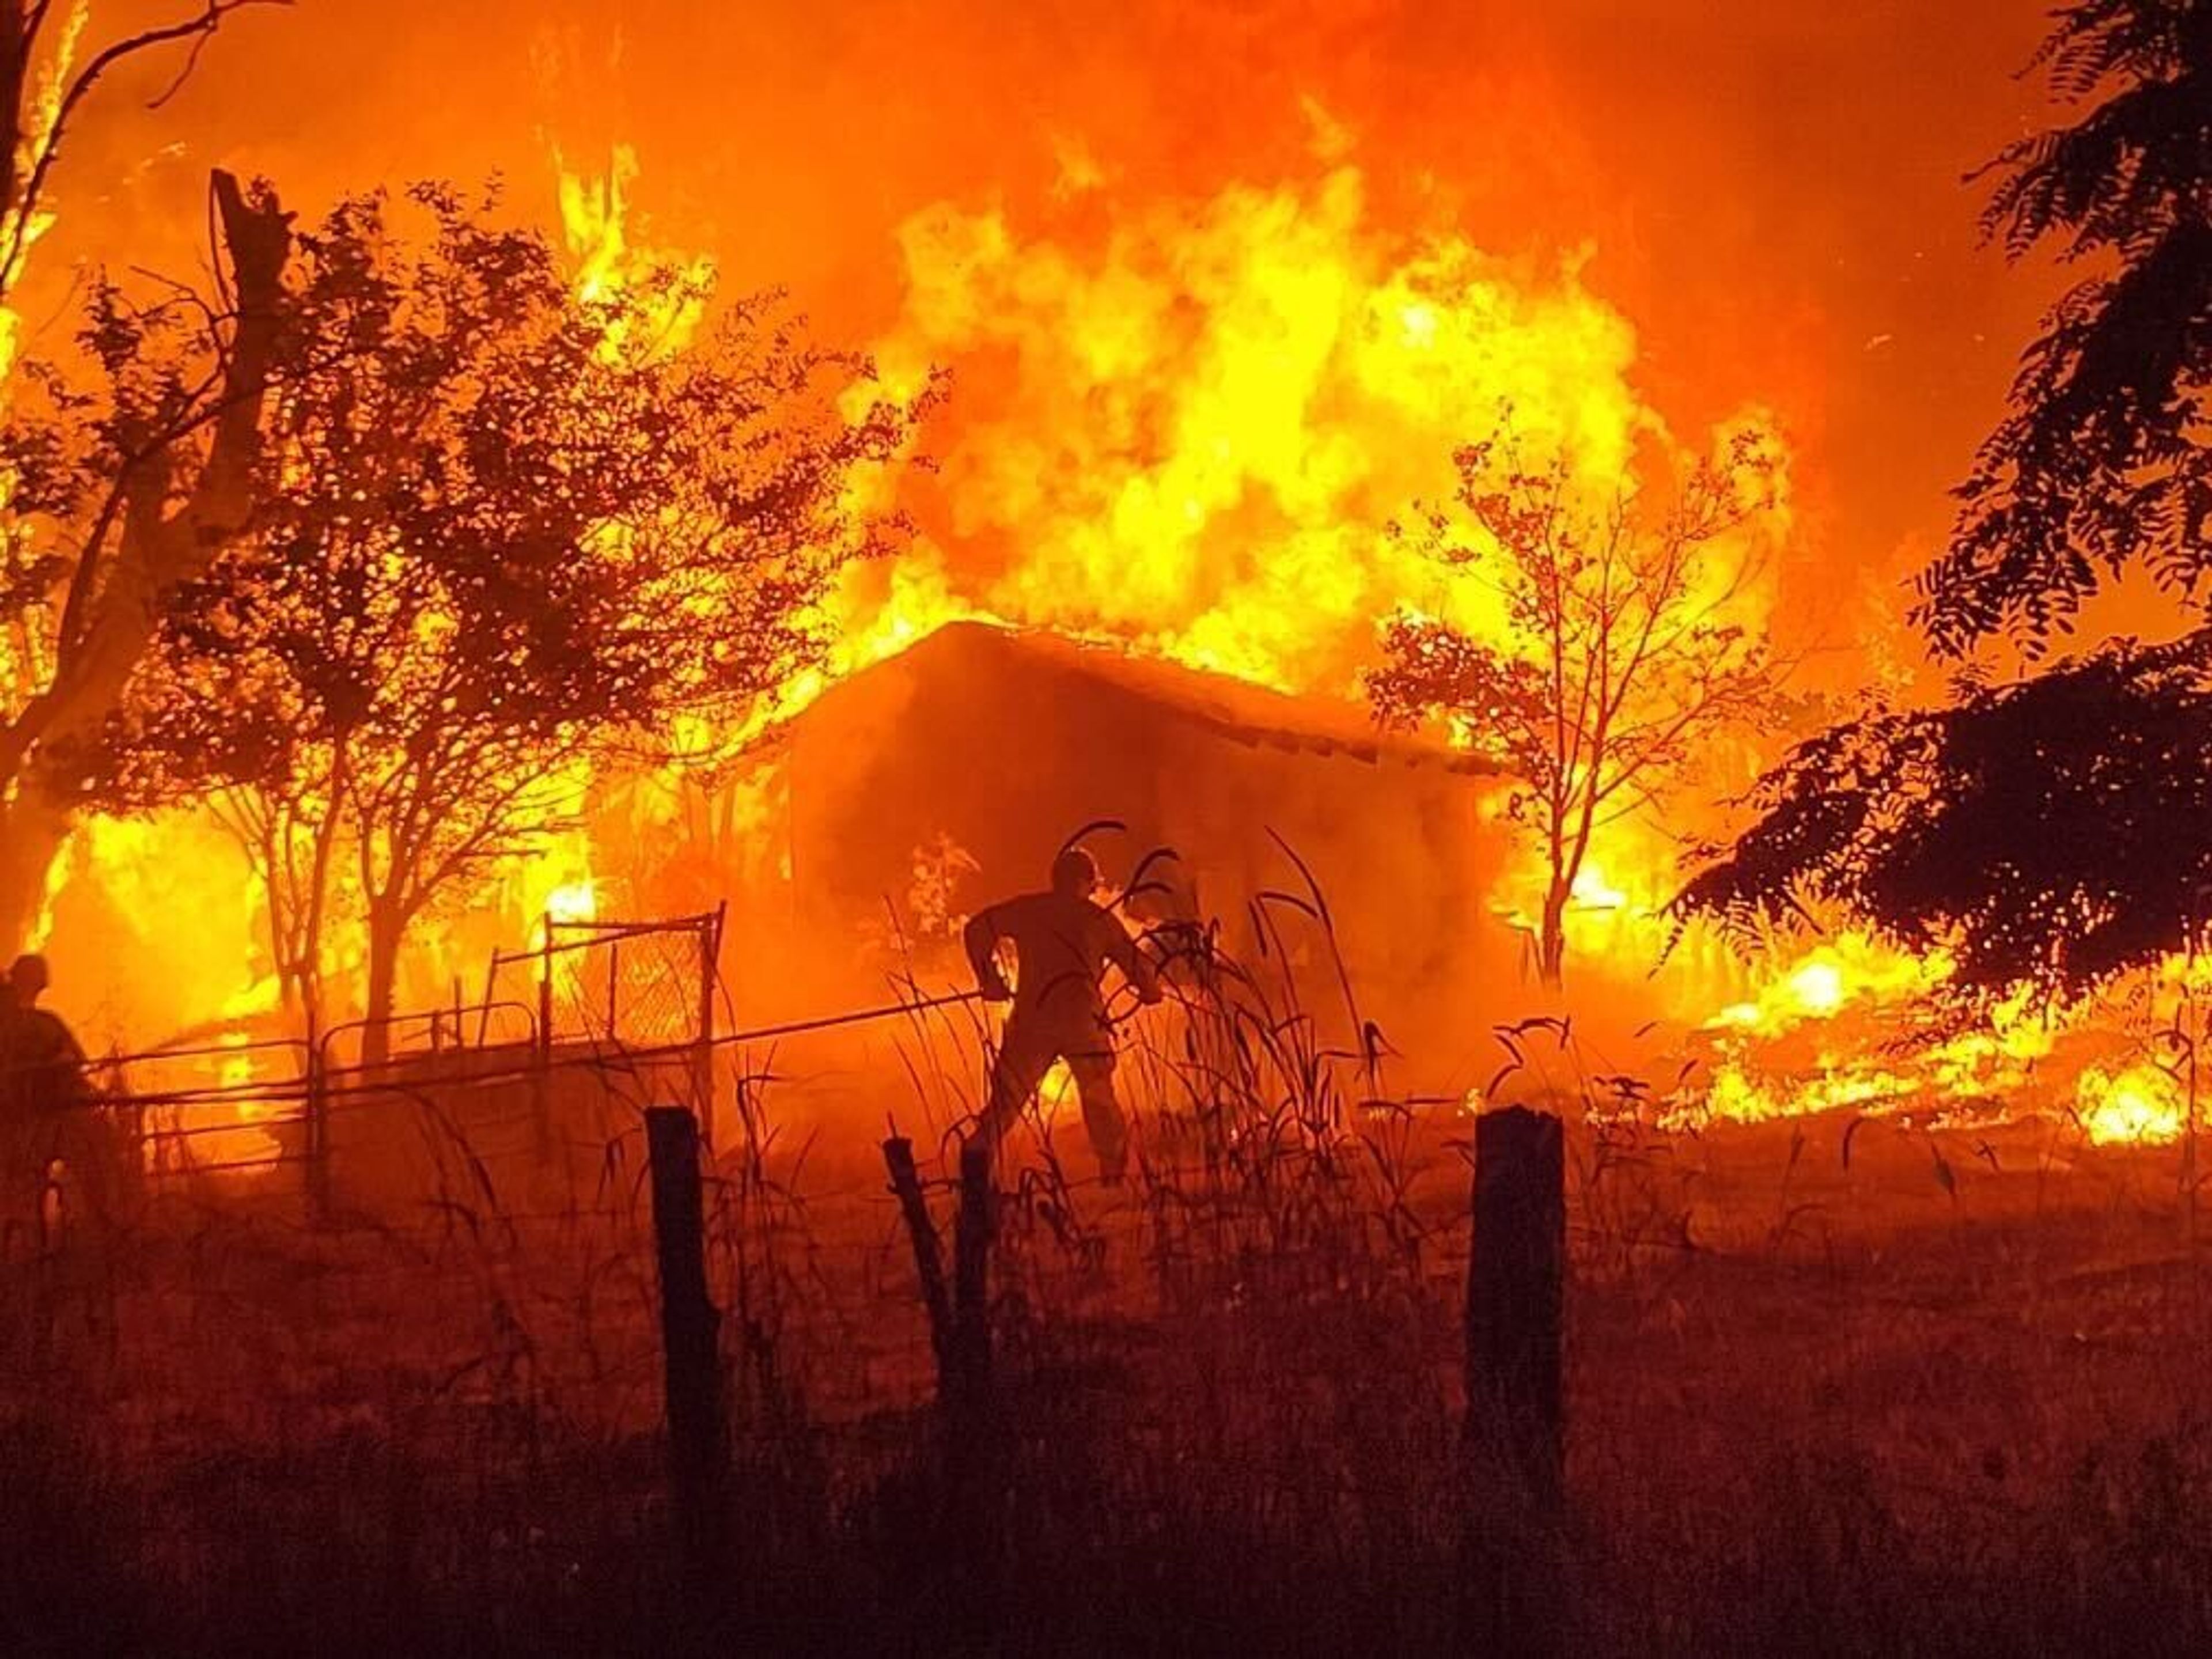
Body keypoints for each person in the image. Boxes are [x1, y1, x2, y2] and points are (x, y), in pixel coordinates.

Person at [964, 847, 1161, 1181]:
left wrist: (990, 980)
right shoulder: (1097, 918)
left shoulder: (1029, 910)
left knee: (1005, 1104)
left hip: (1031, 1022)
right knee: (1099, 1101)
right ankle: (1114, 1179)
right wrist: (1150, 990)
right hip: (1083, 1024)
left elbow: (977, 929)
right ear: (1086, 881)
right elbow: (1138, 966)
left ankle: (974, 1166)